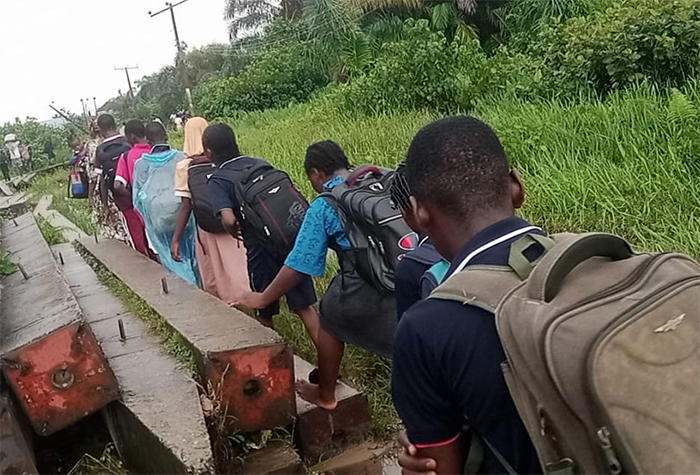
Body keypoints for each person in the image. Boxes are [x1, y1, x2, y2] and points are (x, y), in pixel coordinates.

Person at [391, 116, 541, 474]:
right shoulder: (608, 261)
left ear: (420, 212)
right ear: (517, 186)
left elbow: (438, 466)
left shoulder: (425, 329)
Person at [235, 140, 400, 409]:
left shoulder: (325, 204)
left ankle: (326, 394)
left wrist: (264, 298)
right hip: (412, 270)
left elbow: (299, 265)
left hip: (368, 283)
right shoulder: (379, 177)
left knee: (329, 317)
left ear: (316, 173)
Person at [204, 124, 329, 405]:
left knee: (264, 310)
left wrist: (234, 228)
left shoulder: (218, 179)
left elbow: (228, 219)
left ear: (210, 152)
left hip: (261, 250)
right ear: (235, 142)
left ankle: (272, 371)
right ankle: (329, 365)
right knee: (304, 307)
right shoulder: (258, 163)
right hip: (289, 242)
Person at [170, 117, 250, 303]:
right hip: (233, 223)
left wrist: (176, 239)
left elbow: (186, 206)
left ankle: (226, 306)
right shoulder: (228, 160)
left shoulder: (185, 166)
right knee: (240, 267)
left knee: (216, 271)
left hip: (207, 228)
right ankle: (251, 300)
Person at [133, 122, 198, 285]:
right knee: (190, 254)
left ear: (148, 141)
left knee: (169, 255)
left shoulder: (141, 165)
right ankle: (196, 284)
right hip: (184, 217)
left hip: (158, 222)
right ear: (166, 136)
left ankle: (182, 286)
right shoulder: (182, 158)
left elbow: (138, 199)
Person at [114, 120, 155, 259]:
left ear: (132, 137)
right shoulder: (157, 150)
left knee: (146, 244)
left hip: (142, 209)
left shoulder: (126, 157)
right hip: (165, 207)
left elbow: (117, 186)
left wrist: (134, 196)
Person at [92, 114, 130, 241]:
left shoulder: (99, 150)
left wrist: (105, 206)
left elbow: (100, 180)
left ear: (100, 129)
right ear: (115, 125)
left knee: (133, 232)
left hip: (121, 199)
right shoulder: (128, 141)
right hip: (139, 193)